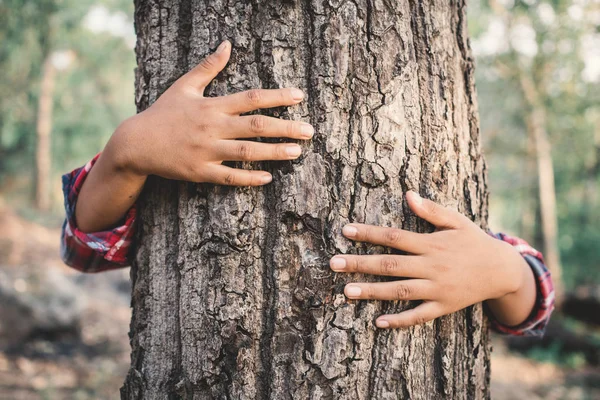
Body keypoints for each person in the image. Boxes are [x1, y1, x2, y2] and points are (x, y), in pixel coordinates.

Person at [61, 41, 554, 336]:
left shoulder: (457, 210)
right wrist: (124, 152)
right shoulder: (157, 152)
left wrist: (506, 270)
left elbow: (529, 308)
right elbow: (87, 247)